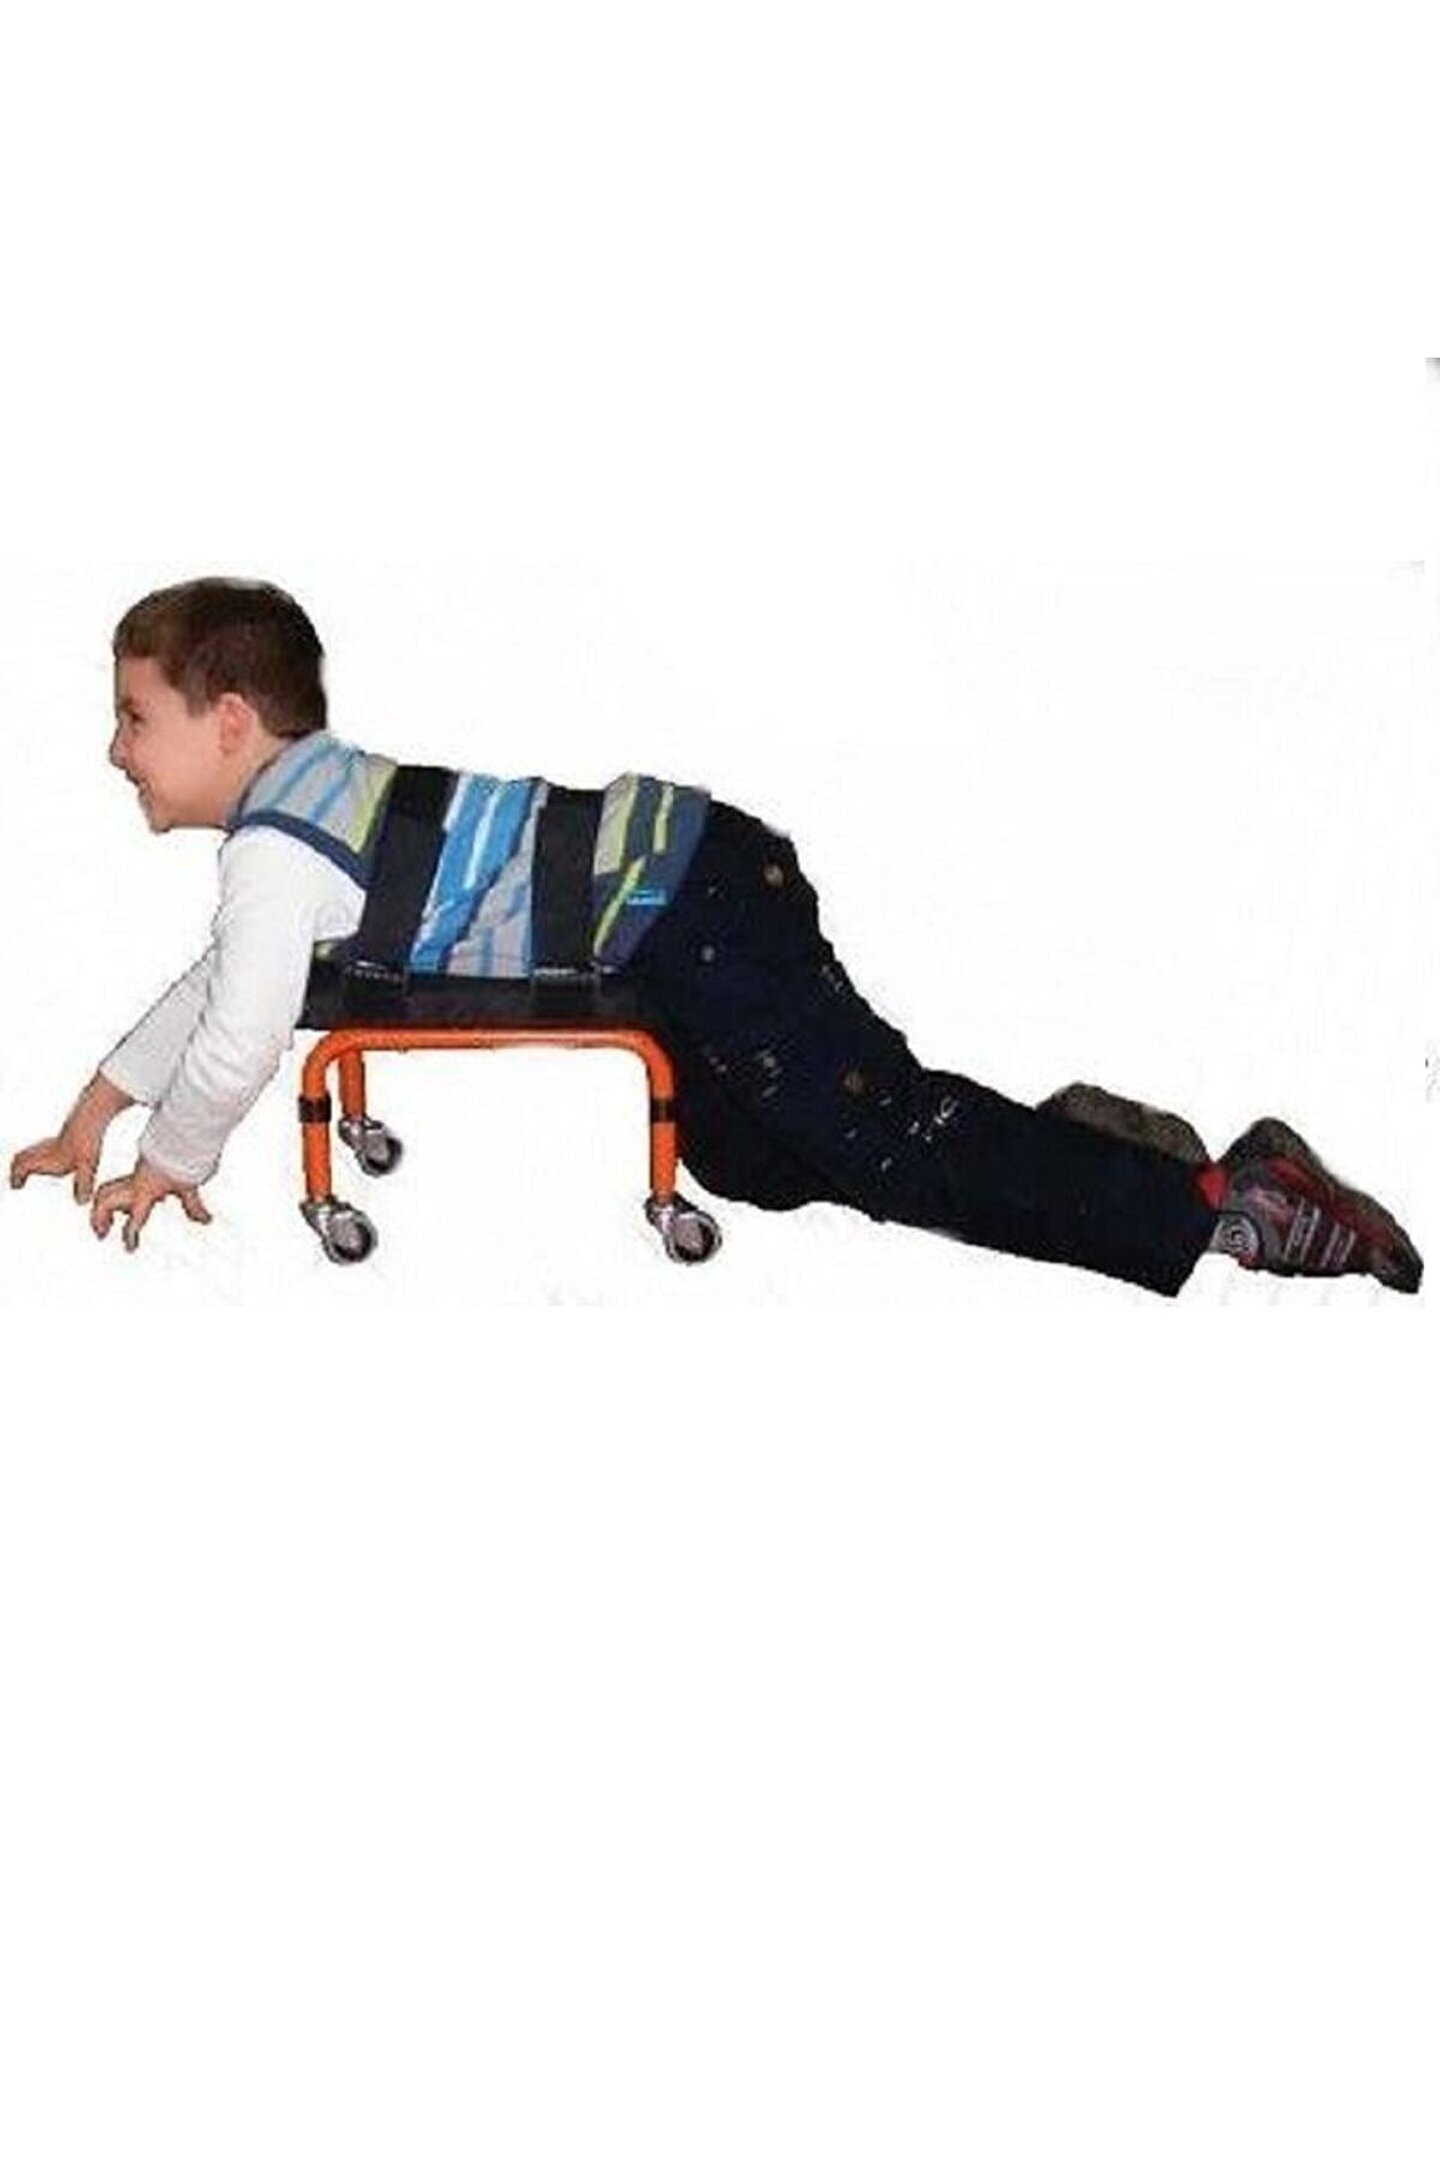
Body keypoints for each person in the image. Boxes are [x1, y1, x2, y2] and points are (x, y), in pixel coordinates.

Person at [8, 578, 1424, 1295]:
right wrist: (92, 1116)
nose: (116, 748)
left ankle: (1225, 1204)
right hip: (687, 894)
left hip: (691, 908)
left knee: (885, 1147)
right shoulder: (306, 809)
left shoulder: (276, 849)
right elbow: (217, 988)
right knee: (752, 1157)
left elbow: (242, 1031)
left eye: (135, 716)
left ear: (230, 723)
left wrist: (171, 1158)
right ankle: (1088, 1155)